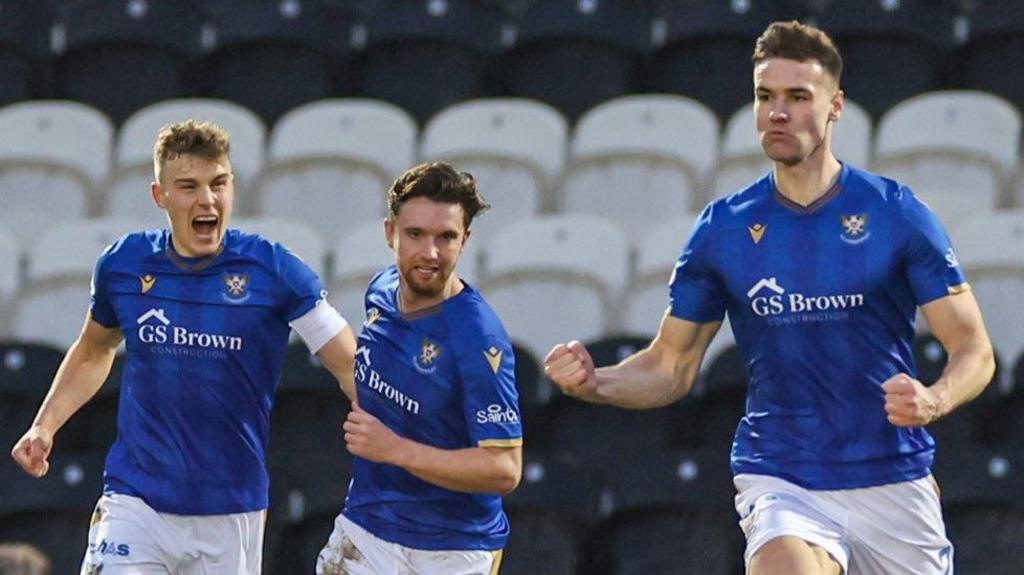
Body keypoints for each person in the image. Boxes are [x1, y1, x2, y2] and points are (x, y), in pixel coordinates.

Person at [544, 20, 996, 575]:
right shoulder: (722, 229)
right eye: (765, 96)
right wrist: (598, 383)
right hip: (782, 473)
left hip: (892, 478)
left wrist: (935, 400)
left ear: (835, 106)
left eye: (798, 97)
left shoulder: (896, 213)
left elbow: (974, 349)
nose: (777, 112)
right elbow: (672, 365)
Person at [9, 120, 358, 574]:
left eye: (218, 184)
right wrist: (44, 425)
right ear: (161, 196)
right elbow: (94, 351)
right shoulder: (125, 265)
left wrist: (399, 444)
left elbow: (349, 364)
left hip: (230, 512)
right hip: (136, 502)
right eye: (189, 186)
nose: (207, 200)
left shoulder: (274, 271)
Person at [316, 162, 523, 574]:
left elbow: (504, 470)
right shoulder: (381, 291)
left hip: (449, 549)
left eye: (445, 237)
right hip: (367, 526)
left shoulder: (479, 340)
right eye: (415, 235)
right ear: (391, 232)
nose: (430, 253)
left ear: (465, 240)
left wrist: (394, 449)